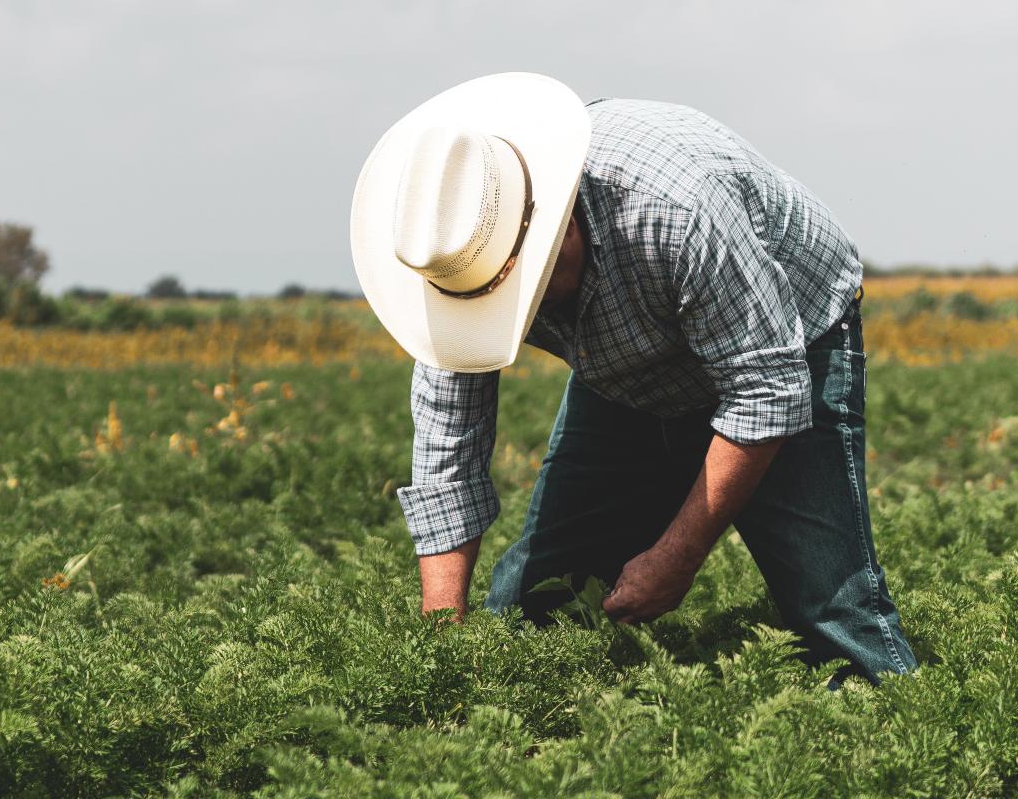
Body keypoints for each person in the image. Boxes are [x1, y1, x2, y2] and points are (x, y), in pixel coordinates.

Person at [350, 73, 916, 684]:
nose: (525, 307)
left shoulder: (678, 210)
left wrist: (678, 555)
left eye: (528, 285)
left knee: (830, 607)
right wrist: (443, 646)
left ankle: (887, 708)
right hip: (624, 370)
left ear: (558, 222)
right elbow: (446, 458)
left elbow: (765, 392)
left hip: (790, 337)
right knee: (533, 607)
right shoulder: (450, 252)